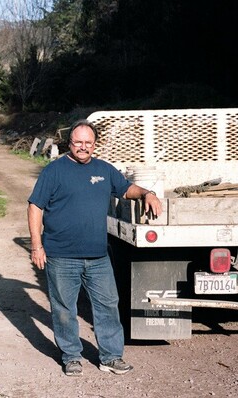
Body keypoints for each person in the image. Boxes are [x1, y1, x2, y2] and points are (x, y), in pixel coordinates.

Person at [27, 119, 162, 377]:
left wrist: (147, 193)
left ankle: (111, 357)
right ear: (69, 143)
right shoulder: (54, 171)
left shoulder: (104, 169)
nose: (83, 147)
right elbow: (35, 206)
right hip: (61, 256)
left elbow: (126, 189)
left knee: (108, 304)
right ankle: (71, 356)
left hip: (98, 256)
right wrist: (36, 245)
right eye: (78, 142)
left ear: (94, 144)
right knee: (65, 308)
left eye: (88, 143)